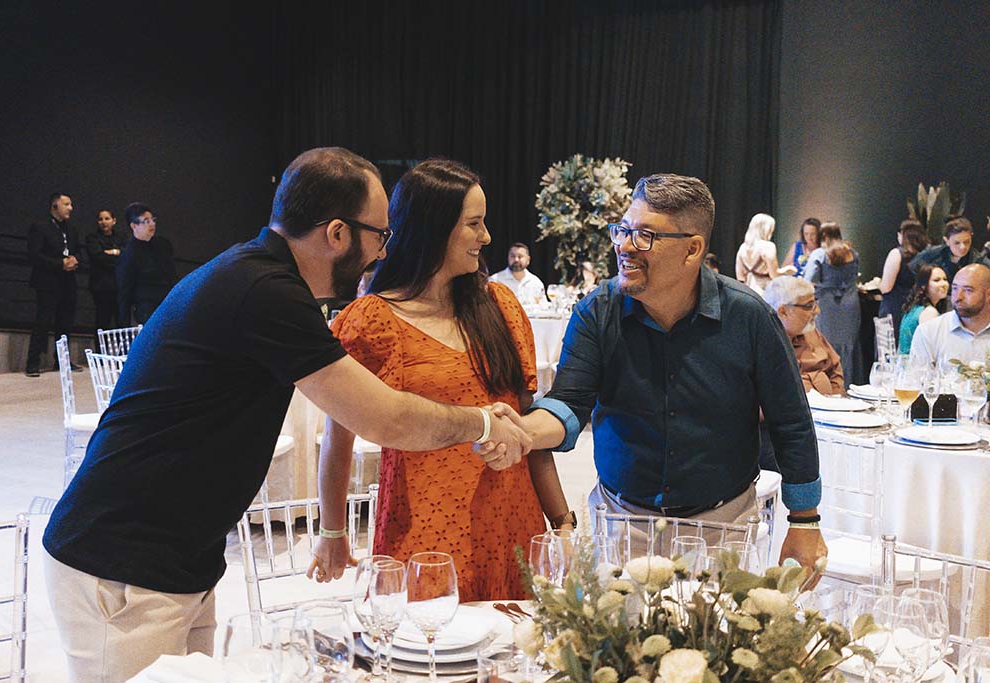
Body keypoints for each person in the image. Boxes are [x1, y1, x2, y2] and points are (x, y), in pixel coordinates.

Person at [41, 147, 533, 682]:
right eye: (379, 235)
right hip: (123, 565)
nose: (383, 251)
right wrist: (483, 421)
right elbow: (384, 419)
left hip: (174, 560)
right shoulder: (265, 292)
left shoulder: (259, 275)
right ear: (337, 234)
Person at [495, 173, 826, 582]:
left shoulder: (748, 317)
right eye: (623, 230)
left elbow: (791, 420)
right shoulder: (597, 312)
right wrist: (524, 431)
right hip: (621, 523)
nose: (624, 246)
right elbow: (569, 403)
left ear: (692, 249)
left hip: (722, 527)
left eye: (645, 235)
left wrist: (805, 520)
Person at [312, 159, 571, 601]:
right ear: (432, 228)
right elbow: (338, 438)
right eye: (474, 223)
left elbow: (526, 429)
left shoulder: (501, 306)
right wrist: (332, 531)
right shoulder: (373, 320)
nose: (486, 237)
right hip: (424, 532)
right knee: (425, 637)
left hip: (512, 523)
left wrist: (561, 521)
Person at [25, 192, 82, 377]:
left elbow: (78, 250)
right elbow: (34, 255)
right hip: (47, 281)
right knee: (43, 321)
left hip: (68, 281)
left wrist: (75, 259)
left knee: (65, 323)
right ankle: (33, 362)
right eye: (66, 204)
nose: (70, 208)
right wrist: (60, 263)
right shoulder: (40, 226)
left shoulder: (72, 229)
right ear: (54, 206)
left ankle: (62, 361)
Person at [805, 222, 863, 386]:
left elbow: (808, 281)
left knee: (827, 344)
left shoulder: (819, 254)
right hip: (850, 304)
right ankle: (850, 384)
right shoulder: (852, 254)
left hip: (827, 304)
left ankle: (831, 385)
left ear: (822, 236)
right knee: (849, 345)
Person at [764, 277, 844, 396]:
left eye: (815, 303)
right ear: (783, 312)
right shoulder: (764, 343)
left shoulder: (811, 332)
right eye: (809, 306)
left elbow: (835, 370)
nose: (817, 311)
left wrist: (836, 400)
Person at [909, 263, 990, 366]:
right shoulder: (929, 331)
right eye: (955, 288)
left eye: (968, 290)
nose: (958, 297)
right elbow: (918, 375)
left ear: (988, 294)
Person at [116, 203, 178, 324]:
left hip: (168, 300)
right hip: (146, 306)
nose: (152, 224)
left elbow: (172, 274)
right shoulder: (128, 254)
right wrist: (124, 322)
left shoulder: (163, 245)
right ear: (134, 226)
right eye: (146, 221)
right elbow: (125, 290)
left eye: (152, 220)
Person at [878, 219, 928, 338]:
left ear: (902, 235)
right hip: (916, 308)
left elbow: (886, 287)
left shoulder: (897, 253)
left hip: (894, 308)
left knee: (890, 345)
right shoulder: (927, 255)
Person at [85, 208, 127, 339]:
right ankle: (100, 350)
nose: (103, 222)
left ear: (114, 221)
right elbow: (98, 257)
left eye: (107, 219)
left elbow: (128, 255)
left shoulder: (122, 237)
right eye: (100, 219)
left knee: (122, 323)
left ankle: (123, 351)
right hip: (101, 287)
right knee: (102, 322)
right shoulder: (92, 238)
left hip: (120, 286)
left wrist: (112, 252)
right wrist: (117, 254)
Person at [910, 217, 989, 283]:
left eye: (966, 242)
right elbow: (912, 268)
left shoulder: (978, 260)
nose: (963, 247)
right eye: (957, 243)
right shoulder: (932, 254)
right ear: (946, 240)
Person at [735, 213, 796, 295]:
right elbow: (774, 274)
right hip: (765, 291)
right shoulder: (768, 246)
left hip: (748, 291)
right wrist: (787, 270)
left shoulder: (742, 248)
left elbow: (740, 276)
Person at [897, 265, 949, 355]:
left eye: (945, 279)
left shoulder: (914, 308)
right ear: (923, 286)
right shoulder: (929, 312)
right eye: (936, 280)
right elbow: (931, 349)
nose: (943, 284)